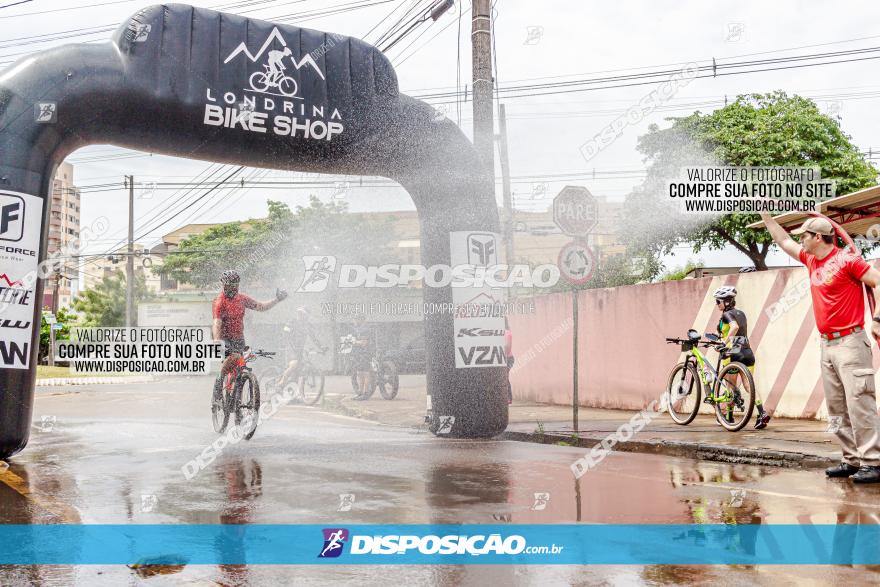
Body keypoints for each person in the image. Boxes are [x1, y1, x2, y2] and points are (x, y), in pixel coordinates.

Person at [761, 212, 880, 483]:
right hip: (827, 345)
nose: (799, 240)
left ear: (818, 237)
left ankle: (873, 461)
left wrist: (877, 319)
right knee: (837, 408)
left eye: (803, 235)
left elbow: (878, 280)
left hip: (851, 343)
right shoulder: (811, 260)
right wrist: (766, 216)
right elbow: (782, 240)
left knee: (860, 404)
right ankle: (850, 459)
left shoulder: (847, 260)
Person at [212, 270, 288, 393]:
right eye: (231, 284)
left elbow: (261, 307)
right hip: (223, 338)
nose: (234, 287)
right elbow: (217, 322)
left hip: (238, 338)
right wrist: (216, 340)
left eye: (236, 284)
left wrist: (277, 299)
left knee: (240, 365)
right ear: (224, 285)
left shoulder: (241, 299)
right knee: (233, 357)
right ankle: (219, 383)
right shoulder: (219, 301)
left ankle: (236, 395)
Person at [711, 286, 770, 429]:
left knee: (731, 388)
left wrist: (723, 343)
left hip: (734, 353)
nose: (717, 304)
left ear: (726, 302)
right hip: (747, 351)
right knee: (749, 385)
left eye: (718, 301)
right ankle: (762, 413)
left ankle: (729, 418)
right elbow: (740, 332)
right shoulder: (741, 313)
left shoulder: (727, 314)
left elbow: (734, 327)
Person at [277, 307, 327, 389]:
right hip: (291, 348)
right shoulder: (292, 321)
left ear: (306, 316)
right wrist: (287, 341)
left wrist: (321, 347)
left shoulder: (307, 326)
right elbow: (285, 332)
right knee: (294, 365)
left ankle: (291, 395)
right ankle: (281, 382)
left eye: (302, 314)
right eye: (299, 313)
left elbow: (314, 338)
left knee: (296, 373)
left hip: (299, 350)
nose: (299, 315)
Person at [350, 314, 374, 400]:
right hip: (360, 354)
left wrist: (354, 342)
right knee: (359, 373)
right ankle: (360, 392)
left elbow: (364, 343)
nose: (353, 322)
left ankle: (365, 393)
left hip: (365, 353)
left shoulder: (365, 330)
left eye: (355, 320)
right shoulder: (359, 329)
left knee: (365, 373)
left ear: (359, 320)